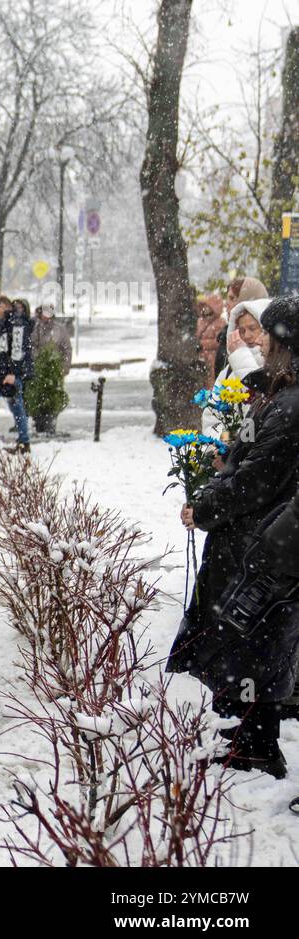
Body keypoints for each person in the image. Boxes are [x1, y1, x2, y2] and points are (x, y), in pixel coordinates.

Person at [169, 295, 299, 779]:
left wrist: (205, 507)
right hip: (251, 539)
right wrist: (212, 482)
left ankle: (259, 744)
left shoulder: (290, 404)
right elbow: (240, 457)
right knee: (244, 640)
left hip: (265, 544)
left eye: (267, 334)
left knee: (260, 641)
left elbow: (256, 478)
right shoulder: (273, 393)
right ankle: (245, 729)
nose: (258, 342)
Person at [201, 297, 270, 436]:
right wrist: (225, 441)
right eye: (242, 330)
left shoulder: (275, 366)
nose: (247, 335)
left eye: (252, 328)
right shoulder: (229, 369)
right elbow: (211, 417)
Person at [0, 294, 32, 452]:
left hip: (10, 373)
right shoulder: (7, 323)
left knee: (15, 405)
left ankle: (23, 441)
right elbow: (1, 349)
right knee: (13, 406)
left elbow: (17, 350)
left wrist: (13, 373)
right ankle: (22, 440)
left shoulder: (17, 324)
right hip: (3, 373)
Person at [216, 277, 268, 376]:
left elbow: (252, 382)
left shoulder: (269, 355)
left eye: (232, 298)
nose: (226, 304)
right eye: (242, 330)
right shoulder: (227, 336)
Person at [29, 303, 72, 376]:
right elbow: (31, 346)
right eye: (44, 313)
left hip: (55, 370)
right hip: (37, 370)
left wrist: (64, 367)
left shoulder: (60, 329)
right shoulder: (33, 327)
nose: (46, 315)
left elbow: (67, 349)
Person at [195, 294, 225, 385]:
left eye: (207, 306)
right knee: (201, 379)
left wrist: (203, 344)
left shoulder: (220, 322)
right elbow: (197, 335)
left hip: (213, 357)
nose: (205, 308)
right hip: (201, 356)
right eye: (203, 306)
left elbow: (219, 341)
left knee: (212, 378)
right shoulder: (200, 321)